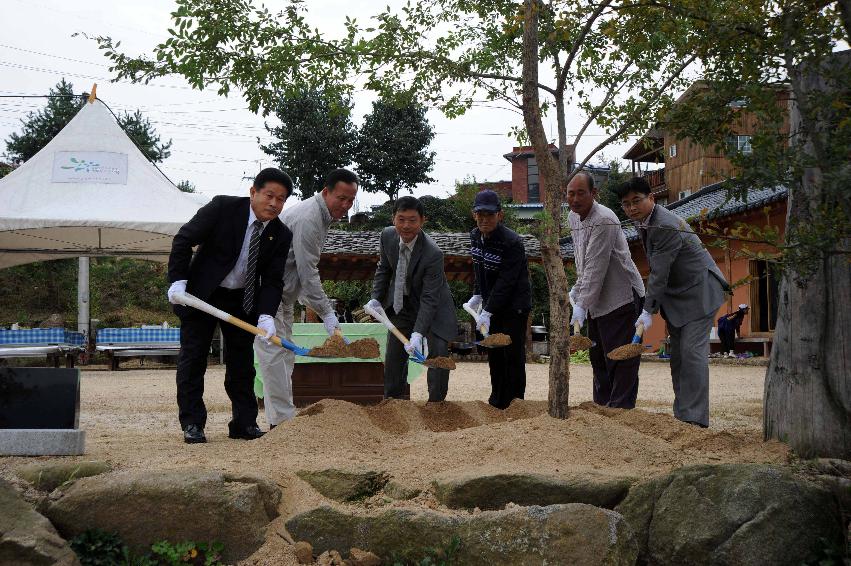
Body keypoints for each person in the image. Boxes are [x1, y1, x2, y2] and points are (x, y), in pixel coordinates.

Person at [167, 168, 293, 443]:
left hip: (241, 298)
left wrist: (266, 315)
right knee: (194, 358)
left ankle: (244, 423)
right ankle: (192, 423)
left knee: (242, 363)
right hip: (202, 294)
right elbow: (183, 240)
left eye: (281, 199)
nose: (274, 203)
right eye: (269, 195)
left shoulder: (281, 234)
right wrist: (178, 282)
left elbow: (272, 279)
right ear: (253, 192)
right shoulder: (223, 208)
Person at [615, 176, 730, 428]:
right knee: (678, 357)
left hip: (700, 293)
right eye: (626, 204)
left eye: (637, 201)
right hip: (679, 297)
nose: (632, 208)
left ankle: (695, 420)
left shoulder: (665, 225)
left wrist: (647, 311)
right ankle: (684, 416)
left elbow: (659, 273)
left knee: (691, 354)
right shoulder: (644, 222)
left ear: (652, 199)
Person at [255, 168, 359, 428]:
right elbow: (307, 270)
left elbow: (298, 270)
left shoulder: (320, 216)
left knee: (285, 356)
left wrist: (319, 308)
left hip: (284, 295)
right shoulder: (310, 218)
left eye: (350, 200)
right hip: (269, 295)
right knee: (274, 356)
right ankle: (280, 421)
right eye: (341, 198)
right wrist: (327, 312)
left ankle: (281, 416)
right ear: (326, 193)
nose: (345, 205)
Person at [567, 171, 645, 409]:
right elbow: (583, 261)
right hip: (595, 299)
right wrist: (578, 291)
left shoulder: (605, 219)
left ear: (594, 193)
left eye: (581, 193)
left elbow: (596, 266)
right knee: (598, 357)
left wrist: (580, 304)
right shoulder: (572, 217)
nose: (575, 199)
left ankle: (621, 411)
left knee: (620, 357)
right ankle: (602, 408)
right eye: (571, 194)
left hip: (621, 296)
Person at [367, 196, 458, 401]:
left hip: (433, 307)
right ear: (393, 219)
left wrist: (418, 333)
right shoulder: (387, 236)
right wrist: (376, 299)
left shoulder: (433, 253)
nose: (406, 226)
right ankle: (394, 403)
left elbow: (429, 298)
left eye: (412, 220)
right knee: (394, 355)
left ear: (422, 221)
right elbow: (384, 269)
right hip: (401, 304)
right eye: (401, 219)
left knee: (438, 354)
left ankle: (436, 404)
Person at [465, 190, 532, 409]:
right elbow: (479, 269)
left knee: (512, 354)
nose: (484, 219)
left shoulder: (512, 242)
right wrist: (477, 294)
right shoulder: (475, 236)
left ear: (499, 215)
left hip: (514, 306)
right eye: (480, 214)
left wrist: (487, 310)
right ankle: (497, 401)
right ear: (474, 214)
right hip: (492, 304)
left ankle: (515, 402)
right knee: (494, 352)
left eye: (489, 214)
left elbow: (506, 281)